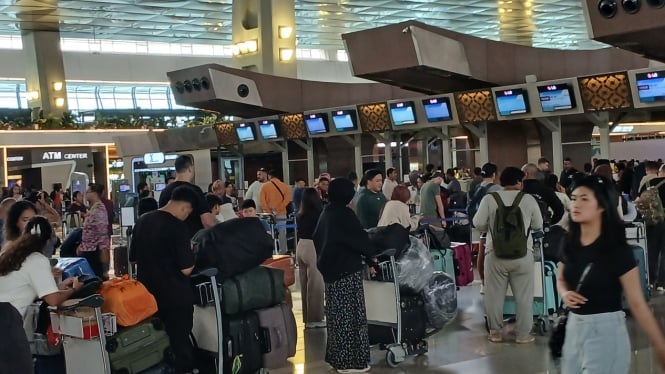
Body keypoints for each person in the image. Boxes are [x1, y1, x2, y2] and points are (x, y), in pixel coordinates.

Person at [558, 175, 665, 373]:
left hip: (605, 330)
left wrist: (660, 345)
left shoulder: (617, 250)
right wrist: (565, 293)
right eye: (573, 198)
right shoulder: (570, 242)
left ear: (601, 206)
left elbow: (637, 303)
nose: (576, 204)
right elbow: (561, 277)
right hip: (574, 328)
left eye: (584, 199)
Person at [129, 186, 199, 373]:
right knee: (179, 345)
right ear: (186, 208)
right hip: (176, 298)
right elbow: (186, 269)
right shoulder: (177, 226)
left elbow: (133, 258)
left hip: (148, 298)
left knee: (155, 346)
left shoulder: (142, 221)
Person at [473, 166, 543, 344]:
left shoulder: (490, 198)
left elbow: (478, 223)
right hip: (522, 255)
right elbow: (538, 225)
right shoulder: (527, 199)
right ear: (519, 182)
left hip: (494, 254)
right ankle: (523, 335)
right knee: (524, 297)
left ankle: (495, 332)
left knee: (494, 296)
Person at [313, 178, 375, 373]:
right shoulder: (345, 215)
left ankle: (337, 358)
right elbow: (360, 240)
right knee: (352, 316)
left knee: (336, 317)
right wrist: (373, 255)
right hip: (347, 271)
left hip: (331, 272)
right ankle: (352, 361)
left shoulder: (327, 212)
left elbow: (318, 238)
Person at [158, 155, 215, 239]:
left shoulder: (165, 192)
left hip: (170, 240)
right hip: (192, 240)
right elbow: (207, 222)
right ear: (190, 169)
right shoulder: (195, 191)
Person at [296, 188, 326, 329]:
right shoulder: (319, 214)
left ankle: (307, 317)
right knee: (315, 285)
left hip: (300, 246)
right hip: (312, 247)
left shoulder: (300, 214)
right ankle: (315, 319)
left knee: (304, 284)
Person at [637, 163, 665, 292]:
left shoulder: (648, 184)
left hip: (652, 221)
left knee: (652, 251)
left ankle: (650, 280)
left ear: (660, 172)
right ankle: (662, 283)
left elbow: (638, 200)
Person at [78, 183, 109, 278]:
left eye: (87, 192)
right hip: (89, 250)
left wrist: (103, 251)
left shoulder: (99, 210)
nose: (85, 195)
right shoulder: (93, 208)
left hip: (94, 252)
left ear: (94, 193)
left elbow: (102, 233)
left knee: (96, 279)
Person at [260, 169, 292, 254]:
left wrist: (268, 211)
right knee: (282, 233)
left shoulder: (264, 186)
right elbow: (287, 200)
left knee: (269, 233)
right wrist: (278, 209)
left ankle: (271, 251)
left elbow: (262, 201)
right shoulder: (285, 186)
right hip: (281, 214)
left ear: (269, 176)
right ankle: (283, 251)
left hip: (268, 215)